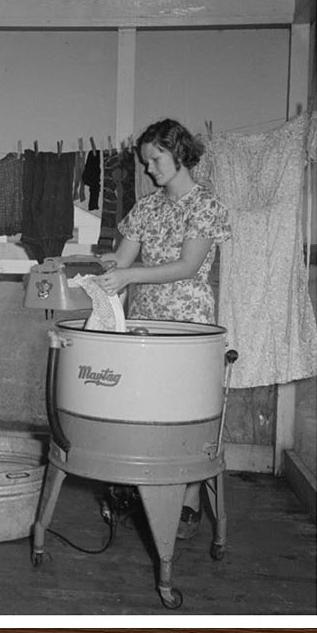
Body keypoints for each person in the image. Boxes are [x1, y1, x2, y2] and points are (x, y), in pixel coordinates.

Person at [97, 119, 231, 539]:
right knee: (142, 413)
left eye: (155, 159)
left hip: (187, 327)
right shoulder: (147, 208)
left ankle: (187, 503)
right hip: (144, 327)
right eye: (145, 162)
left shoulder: (206, 206)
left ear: (178, 152)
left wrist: (130, 275)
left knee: (184, 417)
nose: (149, 169)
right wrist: (108, 268)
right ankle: (138, 494)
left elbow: (188, 266)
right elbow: (123, 260)